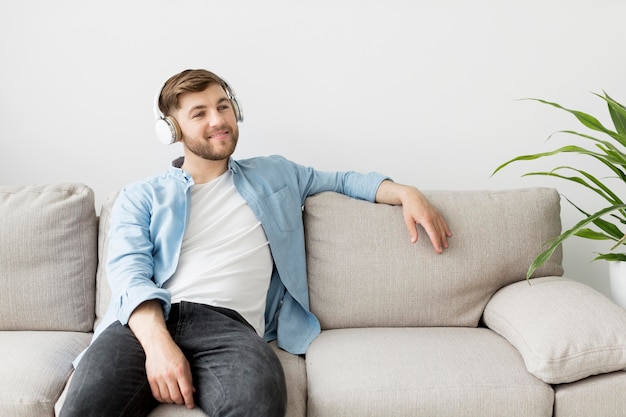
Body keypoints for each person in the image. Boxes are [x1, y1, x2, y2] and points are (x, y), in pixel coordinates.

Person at [60, 69, 451, 417]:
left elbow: (345, 181)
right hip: (147, 322)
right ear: (172, 130)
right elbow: (128, 274)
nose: (218, 121)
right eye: (199, 114)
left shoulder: (275, 174)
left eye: (224, 107)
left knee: (260, 403)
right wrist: (159, 346)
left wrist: (404, 191)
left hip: (230, 329)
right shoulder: (140, 195)